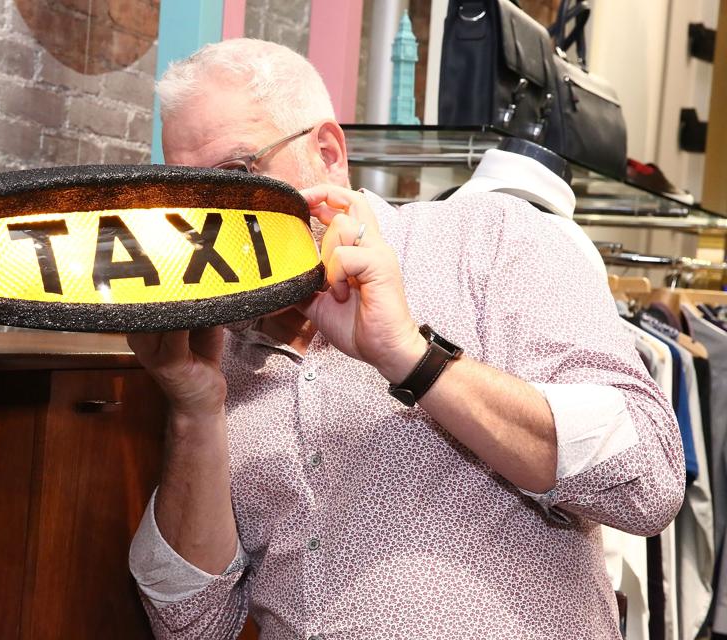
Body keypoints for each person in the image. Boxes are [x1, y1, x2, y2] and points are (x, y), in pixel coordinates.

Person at [127, 38, 684, 639]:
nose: (211, 219)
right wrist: (194, 409)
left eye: (235, 176)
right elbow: (190, 625)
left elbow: (647, 484)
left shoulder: (493, 241)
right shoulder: (211, 346)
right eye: (188, 193)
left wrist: (413, 357)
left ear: (327, 153)